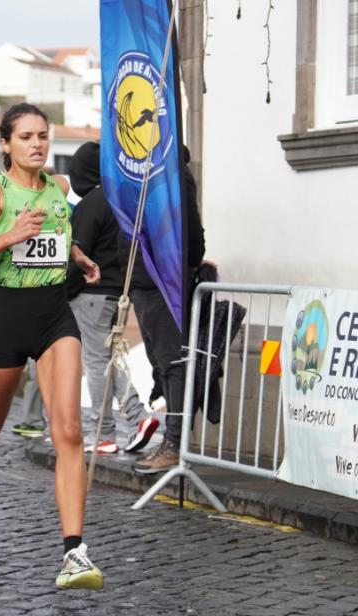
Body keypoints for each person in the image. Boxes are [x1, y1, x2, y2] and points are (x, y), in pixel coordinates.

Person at [0, 103, 105, 590]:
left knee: (69, 430)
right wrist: (11, 234)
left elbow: (57, 231)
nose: (37, 144)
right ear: (6, 144)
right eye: (27, 136)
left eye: (43, 136)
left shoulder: (58, 188)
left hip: (55, 315)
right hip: (6, 317)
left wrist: (77, 254)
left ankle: (74, 552)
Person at [64, 141, 153, 455]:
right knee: (110, 361)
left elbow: (79, 256)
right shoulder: (120, 200)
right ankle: (137, 417)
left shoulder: (91, 203)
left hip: (91, 296)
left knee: (97, 364)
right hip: (118, 294)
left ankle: (105, 432)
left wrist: (63, 291)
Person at [130, 145, 207, 474]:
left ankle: (175, 443)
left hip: (163, 281)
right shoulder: (138, 170)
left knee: (172, 362)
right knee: (162, 364)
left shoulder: (172, 173)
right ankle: (172, 440)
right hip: (144, 281)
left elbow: (191, 234)